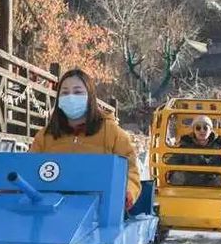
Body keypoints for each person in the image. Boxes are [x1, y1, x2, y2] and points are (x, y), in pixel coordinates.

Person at [30, 69, 141, 209]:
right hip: (51, 210)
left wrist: (127, 191)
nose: (71, 97)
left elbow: (130, 170)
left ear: (90, 96)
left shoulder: (112, 133)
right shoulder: (45, 136)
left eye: (77, 92)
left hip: (100, 213)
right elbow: (30, 169)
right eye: (64, 92)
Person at [167, 115, 221, 187]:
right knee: (177, 176)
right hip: (189, 179)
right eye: (198, 128)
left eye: (205, 128)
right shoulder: (186, 144)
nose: (202, 130)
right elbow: (174, 160)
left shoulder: (220, 145)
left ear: (210, 130)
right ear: (194, 130)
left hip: (211, 181)